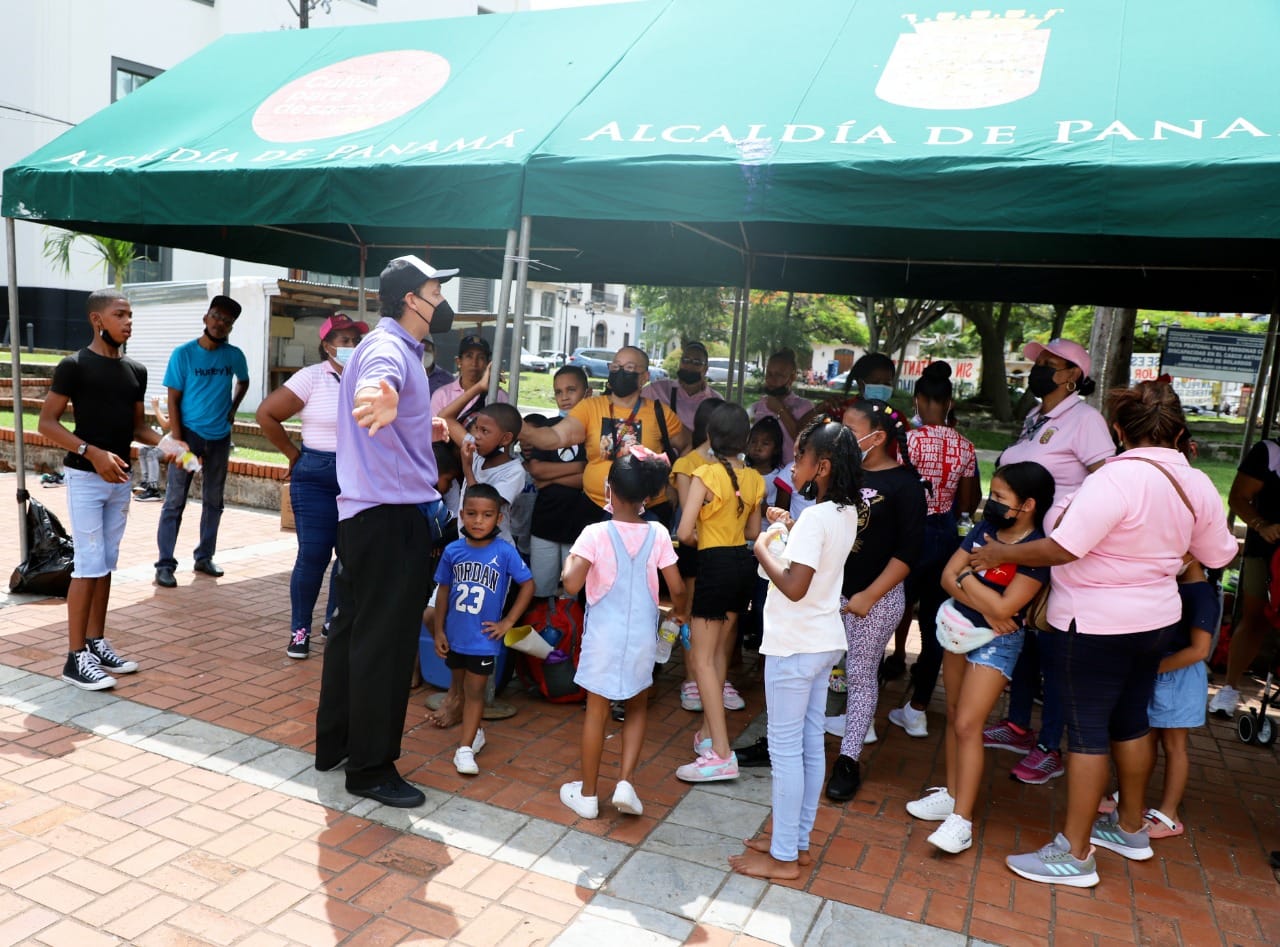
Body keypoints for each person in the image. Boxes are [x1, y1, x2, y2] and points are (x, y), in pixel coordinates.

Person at [974, 381, 1236, 887]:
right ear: (1177, 430)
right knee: (1131, 723)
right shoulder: (1197, 482)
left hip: (1092, 624)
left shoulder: (1114, 479)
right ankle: (1131, 829)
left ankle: (1075, 854)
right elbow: (1219, 553)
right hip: (1156, 621)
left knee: (1087, 734)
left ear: (1118, 430)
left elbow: (1063, 548)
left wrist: (1002, 552)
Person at [314, 253, 456, 808]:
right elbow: (377, 386)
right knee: (386, 648)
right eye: (435, 292)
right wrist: (384, 398)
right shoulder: (389, 349)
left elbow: (388, 411)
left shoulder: (395, 347)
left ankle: (338, 746)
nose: (441, 301)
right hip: (391, 522)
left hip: (366, 518)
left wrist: (419, 423)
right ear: (410, 300)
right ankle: (371, 770)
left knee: (353, 635)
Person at [730, 420, 861, 880]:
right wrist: (788, 530)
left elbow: (793, 586)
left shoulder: (818, 518)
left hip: (795, 645)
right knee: (808, 745)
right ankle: (795, 841)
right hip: (822, 642)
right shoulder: (844, 512)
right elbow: (811, 565)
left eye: (800, 457)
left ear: (821, 466)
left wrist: (761, 547)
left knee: (786, 752)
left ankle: (784, 855)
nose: (793, 465)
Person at [39, 289, 186, 689]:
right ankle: (74, 659)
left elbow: (137, 427)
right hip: (85, 478)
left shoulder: (135, 370)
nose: (128, 322)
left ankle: (95, 642)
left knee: (105, 562)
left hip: (119, 481)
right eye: (120, 315)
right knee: (88, 563)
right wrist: (92, 453)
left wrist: (170, 445)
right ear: (97, 320)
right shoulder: (74, 366)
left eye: (130, 315)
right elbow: (47, 423)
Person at [983, 339, 1114, 785]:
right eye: (1037, 362)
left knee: (1054, 645)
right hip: (1024, 544)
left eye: (1047, 364)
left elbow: (1107, 483)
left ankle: (1049, 746)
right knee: (1025, 636)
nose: (1037, 369)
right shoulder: (1036, 417)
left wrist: (1070, 518)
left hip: (1057, 550)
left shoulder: (1086, 420)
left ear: (1072, 375)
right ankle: (1018, 724)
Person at [907, 461, 1054, 854]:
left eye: (1001, 497)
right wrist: (986, 604)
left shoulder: (1035, 549)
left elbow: (1006, 606)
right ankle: (953, 794)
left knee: (969, 724)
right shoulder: (986, 528)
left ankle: (962, 821)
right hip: (960, 630)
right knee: (955, 714)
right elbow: (946, 576)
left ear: (1028, 505)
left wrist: (967, 578)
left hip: (997, 643)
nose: (991, 502)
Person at [559, 450, 685, 818]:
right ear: (647, 495)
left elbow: (571, 584)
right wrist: (680, 612)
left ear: (608, 489)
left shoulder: (595, 533)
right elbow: (677, 587)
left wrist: (570, 561)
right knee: (637, 705)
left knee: (596, 712)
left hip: (603, 638)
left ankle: (587, 794)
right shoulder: (658, 533)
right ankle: (626, 782)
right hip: (643, 637)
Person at [826, 399, 926, 802]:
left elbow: (908, 552)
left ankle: (848, 759)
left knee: (861, 674)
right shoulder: (843, 473)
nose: (841, 436)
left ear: (878, 437)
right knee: (813, 668)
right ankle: (788, 742)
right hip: (832, 591)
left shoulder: (905, 485)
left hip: (877, 598)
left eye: (850, 430)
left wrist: (869, 595)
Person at [256, 312, 369, 659]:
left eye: (355, 340)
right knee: (313, 555)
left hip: (357, 477)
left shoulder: (367, 377)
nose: (350, 346)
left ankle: (333, 619)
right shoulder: (311, 377)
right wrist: (293, 454)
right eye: (343, 340)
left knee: (348, 555)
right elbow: (266, 414)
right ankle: (300, 629)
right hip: (316, 476)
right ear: (327, 345)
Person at [886, 362, 979, 740]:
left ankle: (863, 708)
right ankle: (919, 708)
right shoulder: (965, 446)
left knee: (886, 611)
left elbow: (892, 490)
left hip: (907, 534)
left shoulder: (906, 442)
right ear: (949, 402)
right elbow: (968, 503)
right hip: (944, 537)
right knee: (934, 623)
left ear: (919, 400)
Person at [675, 403, 764, 783]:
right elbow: (753, 532)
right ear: (745, 439)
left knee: (702, 659)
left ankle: (722, 753)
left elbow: (684, 532)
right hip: (742, 565)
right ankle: (708, 734)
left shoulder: (705, 474)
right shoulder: (755, 478)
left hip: (714, 565)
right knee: (718, 654)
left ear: (710, 437)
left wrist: (706, 535)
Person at [1099, 558, 1217, 839]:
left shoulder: (1202, 594)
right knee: (1145, 737)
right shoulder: (1171, 585)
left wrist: (1153, 669)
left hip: (1177, 676)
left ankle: (1169, 813)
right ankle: (1131, 795)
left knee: (1174, 745)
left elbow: (1199, 650)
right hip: (1155, 670)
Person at [518, 346, 689, 524]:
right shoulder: (590, 407)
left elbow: (687, 447)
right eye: (615, 367)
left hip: (649, 511)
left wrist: (673, 483)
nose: (620, 372)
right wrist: (524, 431)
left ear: (644, 377)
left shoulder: (660, 413)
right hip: (595, 508)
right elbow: (557, 437)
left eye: (629, 368)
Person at [432, 484, 535, 776]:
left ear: (499, 518)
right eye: (472, 514)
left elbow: (528, 585)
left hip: (484, 639)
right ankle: (475, 732)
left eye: (487, 515)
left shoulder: (504, 552)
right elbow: (443, 591)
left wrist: (508, 622)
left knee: (475, 691)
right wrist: (439, 630)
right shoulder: (453, 550)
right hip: (455, 636)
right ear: (462, 514)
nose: (478, 521)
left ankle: (464, 749)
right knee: (460, 686)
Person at [153, 295, 249, 587]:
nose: (220, 324)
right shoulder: (183, 354)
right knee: (175, 500)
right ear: (206, 318)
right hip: (190, 436)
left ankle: (204, 557)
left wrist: (232, 409)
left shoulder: (234, 355)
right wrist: (178, 439)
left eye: (227, 321)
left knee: (214, 500)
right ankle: (165, 565)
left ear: (231, 327)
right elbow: (173, 398)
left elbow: (243, 381)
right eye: (216, 316)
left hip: (219, 438)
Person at [1212, 440, 1280, 716]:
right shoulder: (1269, 452)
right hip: (1265, 552)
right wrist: (1261, 525)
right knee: (1255, 618)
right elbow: (1238, 497)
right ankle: (1229, 688)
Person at [669, 396, 725, 712]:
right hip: (695, 546)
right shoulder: (686, 464)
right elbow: (689, 514)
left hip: (722, 548)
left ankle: (715, 678)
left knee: (719, 617)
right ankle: (691, 678)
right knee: (690, 612)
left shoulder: (733, 462)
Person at [525, 365, 594, 600]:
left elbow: (590, 479)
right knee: (540, 592)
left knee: (573, 596)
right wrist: (580, 467)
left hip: (581, 527)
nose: (564, 397)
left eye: (571, 390)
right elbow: (536, 470)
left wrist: (549, 479)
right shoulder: (548, 427)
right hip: (545, 522)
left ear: (588, 392)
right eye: (558, 391)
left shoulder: (594, 430)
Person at [429, 332, 508, 431]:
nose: (474, 363)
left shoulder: (499, 396)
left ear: (488, 364)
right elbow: (434, 432)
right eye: (469, 356)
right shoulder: (442, 395)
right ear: (458, 361)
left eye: (481, 357)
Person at [749, 349, 815, 465]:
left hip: (791, 472)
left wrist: (780, 410)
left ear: (792, 377)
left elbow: (803, 443)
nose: (771, 380)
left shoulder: (805, 407)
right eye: (769, 374)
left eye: (779, 375)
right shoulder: (756, 407)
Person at [642, 340, 720, 430]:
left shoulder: (715, 401)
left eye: (697, 362)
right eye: (686, 360)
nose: (690, 366)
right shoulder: (657, 390)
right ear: (680, 363)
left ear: (705, 369)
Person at [133, 395, 169, 502]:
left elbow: (166, 424)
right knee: (143, 449)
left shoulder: (181, 404)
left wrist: (156, 407)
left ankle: (153, 490)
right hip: (169, 441)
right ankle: (146, 483)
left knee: (152, 454)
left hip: (178, 447)